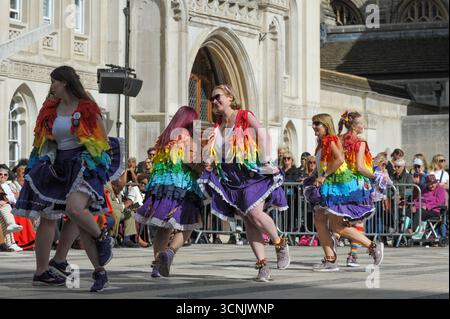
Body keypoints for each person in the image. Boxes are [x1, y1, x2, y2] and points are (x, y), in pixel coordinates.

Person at [12, 66, 124, 292]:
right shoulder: (50, 108)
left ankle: (99, 242)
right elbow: (43, 138)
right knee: (50, 215)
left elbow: (100, 141)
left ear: (65, 82)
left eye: (54, 81)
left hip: (82, 164)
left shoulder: (87, 108)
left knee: (76, 211)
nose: (51, 86)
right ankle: (49, 269)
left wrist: (94, 165)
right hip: (56, 164)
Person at [199, 84, 289, 282]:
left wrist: (266, 161)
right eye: (212, 98)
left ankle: (280, 242)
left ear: (230, 97)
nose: (214, 101)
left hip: (251, 174)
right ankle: (262, 265)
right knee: (248, 220)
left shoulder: (244, 115)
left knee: (256, 214)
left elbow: (263, 134)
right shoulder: (218, 126)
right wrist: (210, 163)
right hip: (231, 179)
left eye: (218, 96)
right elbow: (219, 153)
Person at [136, 106, 204, 278]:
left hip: (161, 186)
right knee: (190, 222)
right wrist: (204, 165)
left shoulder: (164, 139)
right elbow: (192, 163)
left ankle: (157, 266)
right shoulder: (188, 138)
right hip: (182, 186)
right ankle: (170, 252)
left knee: (163, 227)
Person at [310, 113, 383, 272]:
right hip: (330, 185)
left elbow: (340, 160)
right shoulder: (323, 141)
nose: (314, 126)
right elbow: (326, 162)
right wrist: (314, 175)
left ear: (326, 125)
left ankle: (371, 246)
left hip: (336, 187)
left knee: (337, 227)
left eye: (317, 124)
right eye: (313, 123)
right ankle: (330, 259)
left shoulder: (331, 139)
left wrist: (323, 176)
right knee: (321, 221)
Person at [337, 111, 377, 268]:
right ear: (354, 125)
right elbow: (360, 166)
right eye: (361, 123)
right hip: (356, 184)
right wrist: (375, 176)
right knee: (358, 220)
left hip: (339, 184)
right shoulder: (360, 142)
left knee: (341, 220)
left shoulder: (340, 140)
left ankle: (332, 254)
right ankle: (353, 255)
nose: (364, 126)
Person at [410, 174, 447, 240]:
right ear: (427, 184)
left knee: (420, 212)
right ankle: (404, 232)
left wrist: (427, 206)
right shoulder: (424, 190)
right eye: (430, 184)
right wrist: (414, 205)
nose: (432, 185)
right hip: (423, 209)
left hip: (435, 211)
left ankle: (414, 230)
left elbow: (438, 203)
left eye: (434, 183)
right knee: (409, 211)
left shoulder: (440, 190)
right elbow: (417, 200)